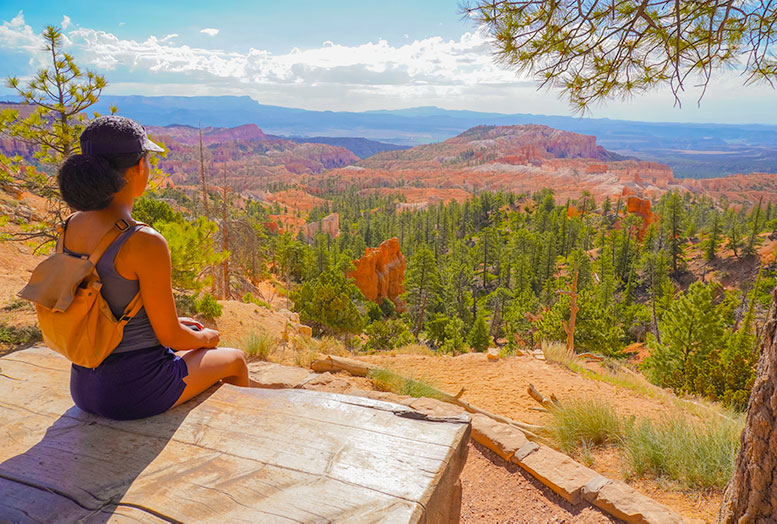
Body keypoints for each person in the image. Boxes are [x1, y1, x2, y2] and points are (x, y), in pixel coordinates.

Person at [57, 115, 250, 420]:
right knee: (234, 359)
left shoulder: (70, 225)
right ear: (137, 167)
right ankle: (235, 436)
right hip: (134, 391)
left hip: (83, 386)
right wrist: (207, 338)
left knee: (193, 331)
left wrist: (183, 327)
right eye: (147, 160)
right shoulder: (143, 240)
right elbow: (171, 337)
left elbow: (108, 301)